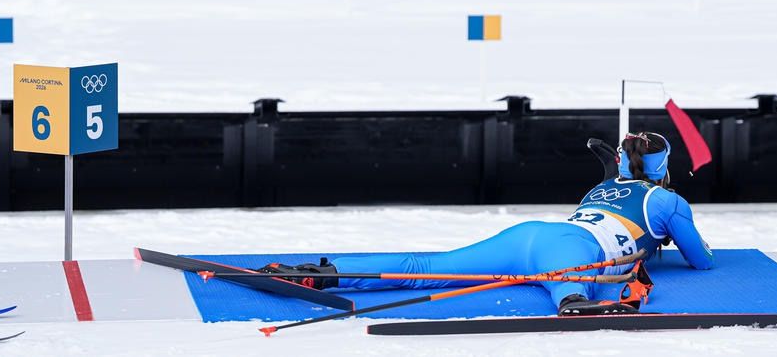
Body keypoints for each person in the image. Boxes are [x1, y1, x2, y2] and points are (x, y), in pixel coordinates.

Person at [260, 132, 714, 315]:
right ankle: (573, 302)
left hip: (526, 237)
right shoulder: (668, 200)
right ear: (663, 165)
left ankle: (319, 272)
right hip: (569, 248)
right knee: (571, 286)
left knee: (426, 268)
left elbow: (622, 190)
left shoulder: (602, 188)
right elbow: (701, 261)